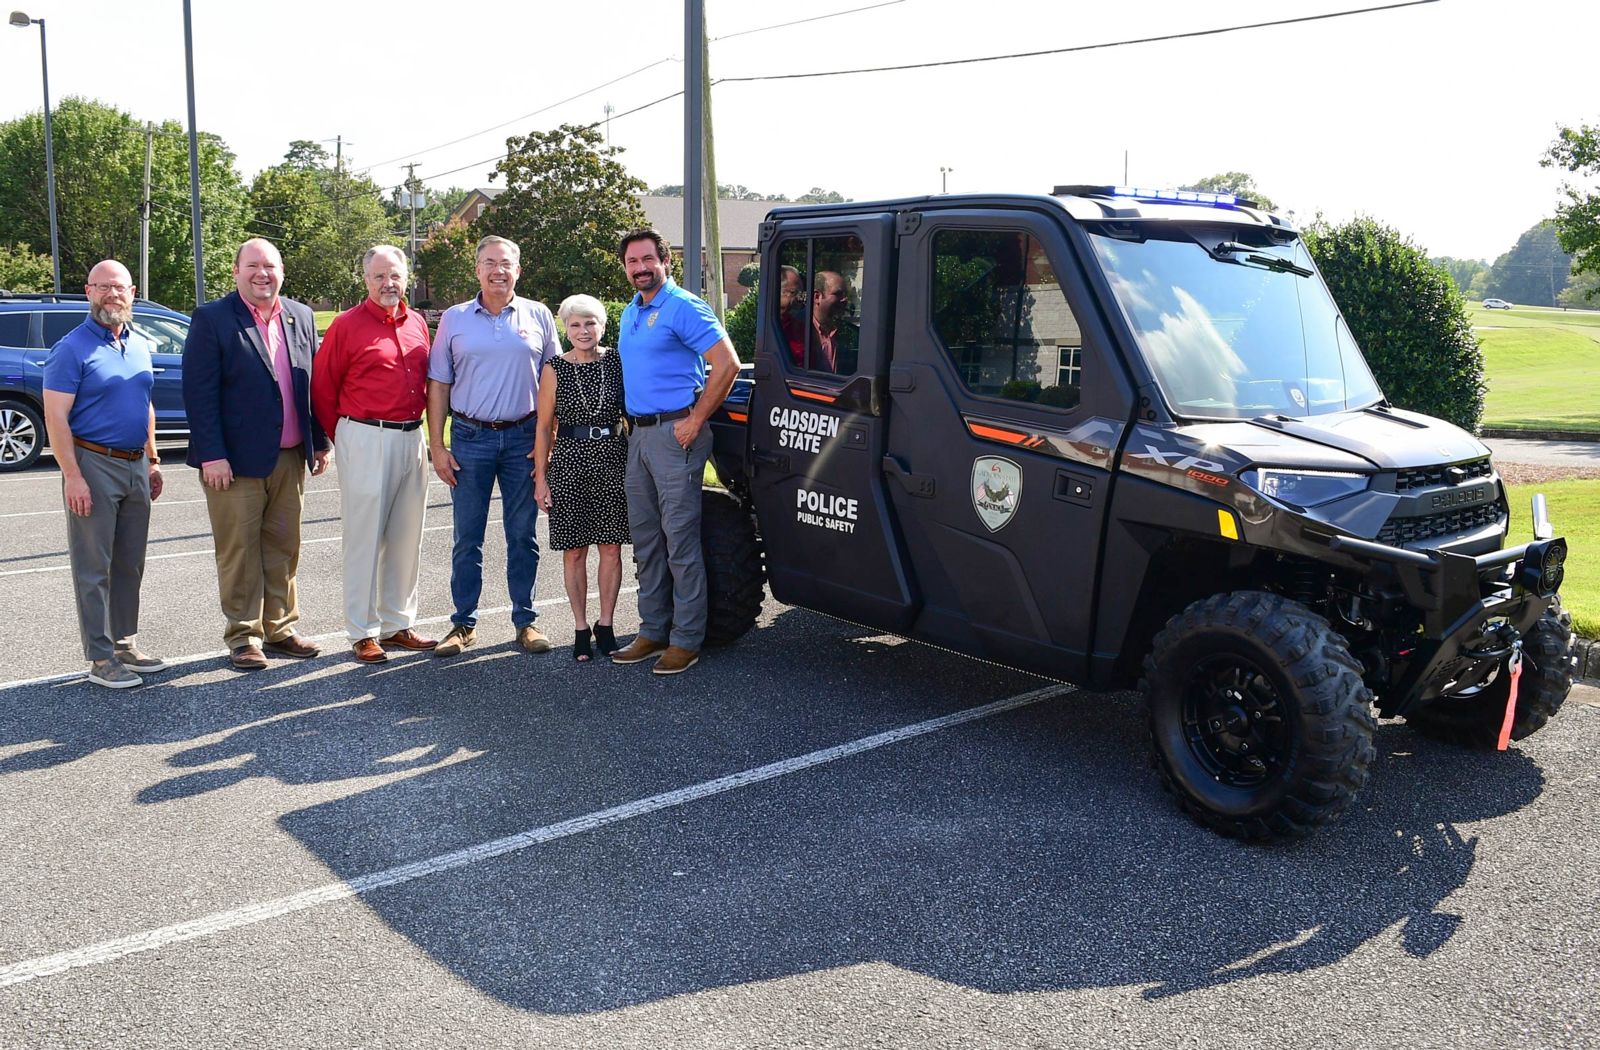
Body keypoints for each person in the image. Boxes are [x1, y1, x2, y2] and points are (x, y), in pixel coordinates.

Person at [183, 238, 328, 671]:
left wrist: (318, 440)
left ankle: (280, 628)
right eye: (253, 266)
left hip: (290, 454)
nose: (262, 274)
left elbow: (311, 384)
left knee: (283, 546)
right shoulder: (212, 319)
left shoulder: (300, 316)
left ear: (282, 272)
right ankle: (244, 635)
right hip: (233, 462)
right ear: (236, 271)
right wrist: (212, 454)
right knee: (239, 550)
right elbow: (199, 393)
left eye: (270, 266)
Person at [610, 228, 739, 675]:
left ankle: (686, 639)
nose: (640, 268)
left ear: (665, 262)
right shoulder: (632, 311)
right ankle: (653, 629)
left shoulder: (682, 305)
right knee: (646, 540)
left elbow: (728, 363)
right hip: (640, 435)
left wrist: (697, 419)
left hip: (676, 433)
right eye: (632, 262)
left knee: (679, 540)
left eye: (648, 259)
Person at [426, 235, 560, 659]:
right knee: (468, 537)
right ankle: (463, 624)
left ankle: (526, 620)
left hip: (523, 439)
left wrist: (547, 443)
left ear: (518, 270)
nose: (497, 270)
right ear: (477, 270)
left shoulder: (539, 315)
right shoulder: (455, 318)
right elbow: (439, 384)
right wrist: (437, 445)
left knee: (523, 535)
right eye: (489, 263)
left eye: (505, 263)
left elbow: (553, 385)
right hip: (469, 438)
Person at [42, 260, 165, 689]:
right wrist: (72, 475)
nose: (112, 295)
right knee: (94, 567)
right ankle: (99, 656)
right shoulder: (70, 348)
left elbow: (145, 404)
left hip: (134, 463)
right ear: (88, 291)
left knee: (130, 563)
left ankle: (124, 642)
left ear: (132, 293)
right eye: (103, 287)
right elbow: (56, 418)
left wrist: (152, 459)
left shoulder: (138, 343)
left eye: (120, 288)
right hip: (92, 464)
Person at [311, 245, 437, 663]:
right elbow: (324, 388)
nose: (388, 284)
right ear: (366, 280)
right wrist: (344, 438)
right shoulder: (347, 325)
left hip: (410, 437)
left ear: (407, 278)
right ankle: (362, 630)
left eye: (395, 276)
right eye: (379, 277)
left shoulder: (417, 322)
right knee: (364, 537)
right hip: (364, 435)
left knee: (406, 536)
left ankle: (397, 623)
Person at [532, 294, 630, 662]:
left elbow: (632, 413)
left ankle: (606, 625)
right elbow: (543, 428)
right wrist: (542, 479)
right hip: (570, 462)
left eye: (590, 323)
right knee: (574, 550)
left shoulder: (618, 361)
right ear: (565, 328)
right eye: (575, 324)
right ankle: (579, 628)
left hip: (613, 460)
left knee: (610, 547)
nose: (583, 330)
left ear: (603, 326)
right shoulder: (554, 367)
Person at [810, 270, 859, 373]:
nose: (844, 299)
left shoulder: (852, 334)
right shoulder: (796, 328)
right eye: (838, 294)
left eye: (845, 294)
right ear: (817, 297)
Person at [777, 265, 806, 365]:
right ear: (778, 292)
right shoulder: (766, 328)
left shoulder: (800, 328)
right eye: (794, 292)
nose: (800, 298)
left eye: (801, 293)